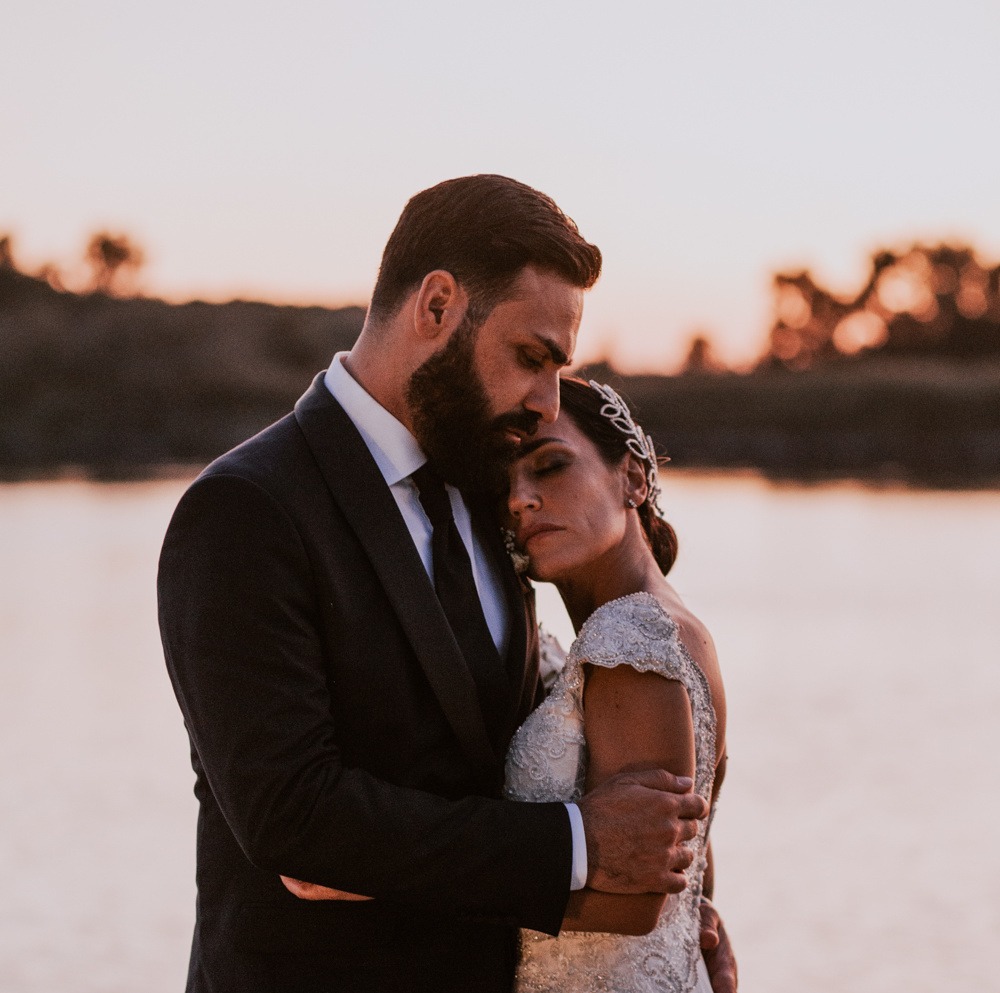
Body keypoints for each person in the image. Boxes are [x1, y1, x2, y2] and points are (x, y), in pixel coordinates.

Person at [158, 174, 733, 993]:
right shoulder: (247, 510)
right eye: (531, 357)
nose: (545, 401)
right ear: (437, 306)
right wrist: (576, 846)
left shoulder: (490, 488)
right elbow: (292, 814)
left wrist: (681, 926)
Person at [503, 376, 730, 992]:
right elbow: (693, 852)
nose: (520, 500)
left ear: (632, 477)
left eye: (549, 467)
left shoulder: (628, 636)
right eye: (502, 486)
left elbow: (636, 900)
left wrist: (389, 883)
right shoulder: (677, 626)